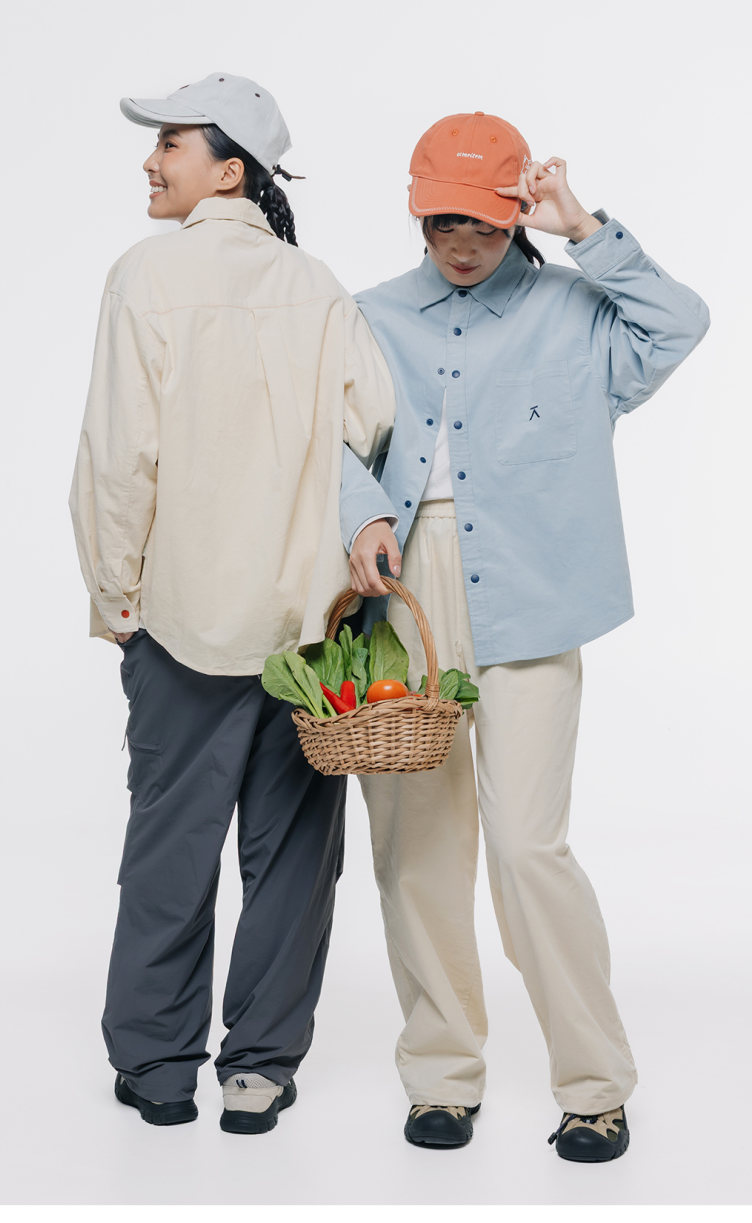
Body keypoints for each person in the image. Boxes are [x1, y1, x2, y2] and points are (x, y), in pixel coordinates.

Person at [341, 111, 709, 1158]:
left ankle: (593, 1083)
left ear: (515, 216)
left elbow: (680, 323)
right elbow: (328, 437)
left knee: (524, 845)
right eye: (442, 222)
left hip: (535, 590)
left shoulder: (576, 309)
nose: (462, 244)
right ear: (416, 214)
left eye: (485, 223)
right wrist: (357, 514)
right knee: (416, 848)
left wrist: (582, 227)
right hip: (404, 593)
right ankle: (440, 1075)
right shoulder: (367, 315)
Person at [69, 72, 394, 1134]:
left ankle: (160, 1068)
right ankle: (258, 1070)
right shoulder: (318, 285)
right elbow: (371, 422)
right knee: (293, 857)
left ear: (229, 170)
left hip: (182, 616)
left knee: (168, 846)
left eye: (170, 142)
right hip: (305, 631)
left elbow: (120, 456)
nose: (150, 160)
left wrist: (116, 597)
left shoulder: (147, 274)